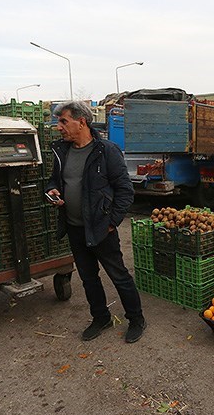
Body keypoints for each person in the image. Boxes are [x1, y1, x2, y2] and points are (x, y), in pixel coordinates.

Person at [45, 100, 146, 343]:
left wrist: (111, 222)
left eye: (63, 121)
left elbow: (125, 191)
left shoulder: (106, 151)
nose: (59, 127)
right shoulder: (62, 151)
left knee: (118, 275)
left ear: (81, 122)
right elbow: (53, 181)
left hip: (101, 228)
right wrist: (52, 192)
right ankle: (101, 317)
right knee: (88, 277)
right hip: (74, 226)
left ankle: (136, 318)